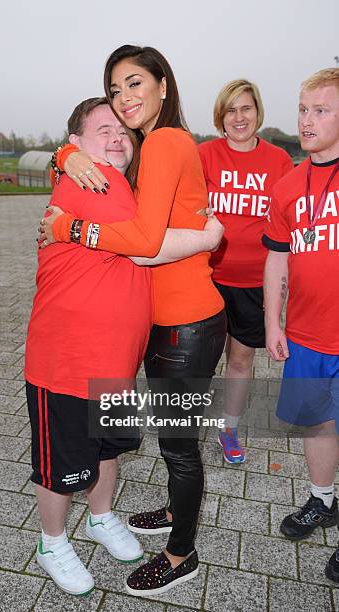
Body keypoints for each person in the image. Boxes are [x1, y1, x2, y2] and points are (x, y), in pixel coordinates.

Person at [39, 45, 227, 596]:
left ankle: (181, 554)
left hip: (186, 324)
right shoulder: (144, 145)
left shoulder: (167, 139)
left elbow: (143, 245)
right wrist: (63, 155)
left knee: (179, 445)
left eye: (135, 83)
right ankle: (173, 511)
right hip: (163, 324)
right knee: (172, 441)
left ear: (164, 86)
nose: (125, 99)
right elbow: (103, 163)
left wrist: (69, 227)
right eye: (115, 88)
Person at [263, 68, 339, 583]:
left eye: (320, 110)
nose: (305, 120)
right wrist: (274, 323)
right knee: (317, 423)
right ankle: (323, 500)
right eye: (302, 108)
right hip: (307, 336)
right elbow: (275, 261)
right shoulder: (288, 185)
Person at [198, 80, 293, 464]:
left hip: (254, 282)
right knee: (199, 360)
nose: (239, 117)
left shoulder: (278, 161)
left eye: (246, 108)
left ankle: (229, 429)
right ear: (221, 116)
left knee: (240, 360)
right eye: (231, 110)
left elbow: (287, 225)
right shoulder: (203, 154)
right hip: (206, 277)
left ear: (258, 112)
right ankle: (183, 430)